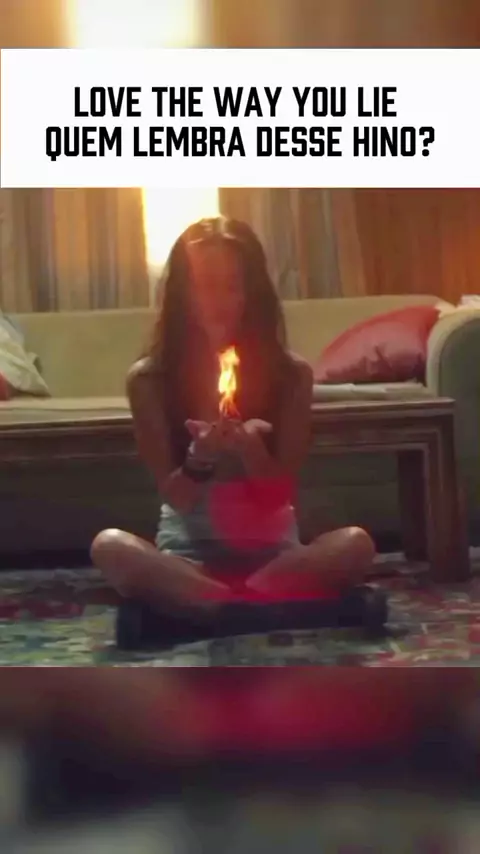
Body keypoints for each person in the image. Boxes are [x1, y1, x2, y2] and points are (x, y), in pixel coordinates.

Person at [90, 216, 375, 616]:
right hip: (189, 559)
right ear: (182, 292)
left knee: (356, 544)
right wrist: (200, 459)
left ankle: (217, 608)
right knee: (109, 546)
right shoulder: (149, 379)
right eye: (205, 285)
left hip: (274, 558)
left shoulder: (292, 375)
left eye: (232, 285)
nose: (218, 300)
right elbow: (177, 496)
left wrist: (251, 451)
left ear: (251, 292)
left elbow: (277, 497)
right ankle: (252, 607)